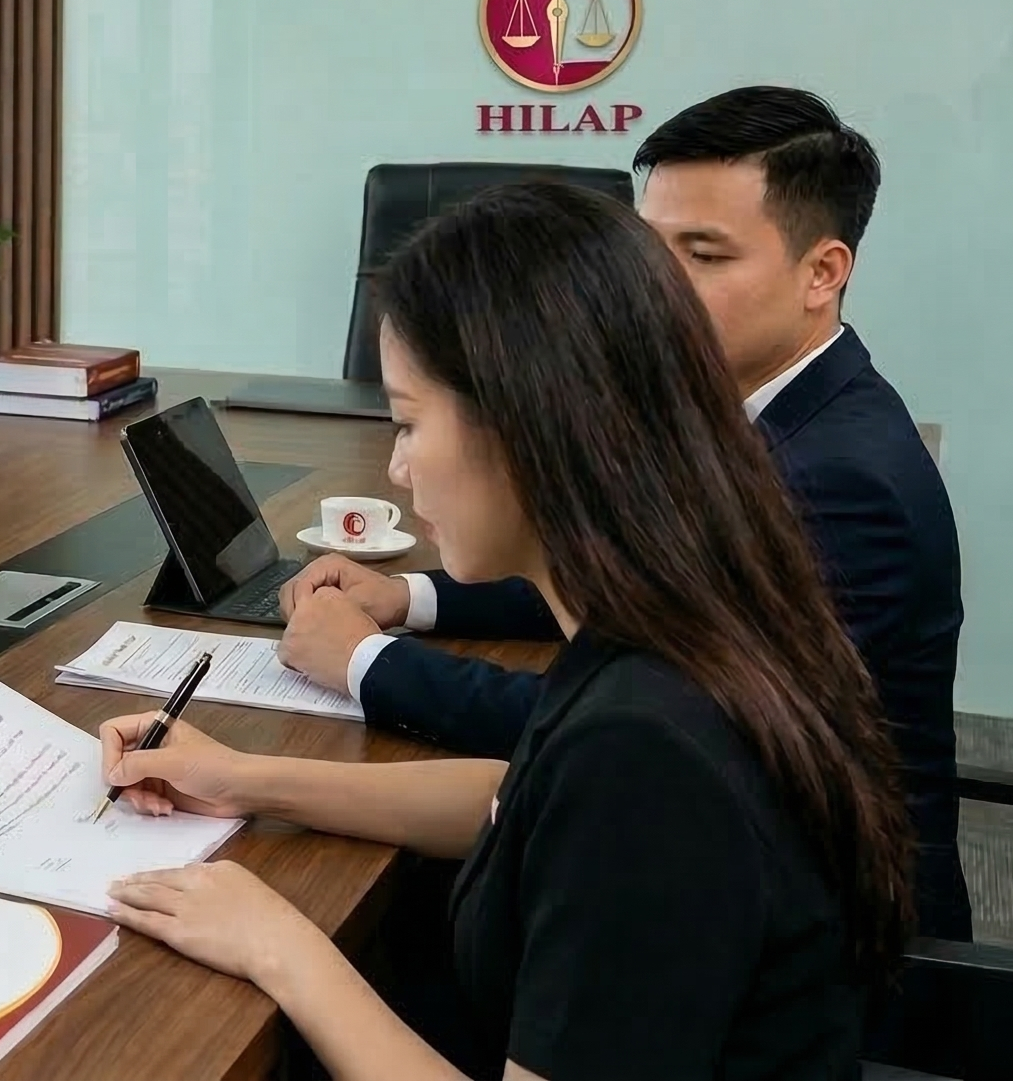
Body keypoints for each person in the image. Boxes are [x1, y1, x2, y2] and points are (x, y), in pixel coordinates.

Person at [101, 181, 913, 1081]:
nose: (397, 468)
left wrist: (281, 947)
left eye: (408, 423)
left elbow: (585, 802)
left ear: (529, 427)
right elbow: (514, 795)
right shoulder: (683, 614)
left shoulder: (645, 752)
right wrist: (247, 780)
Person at [275, 86, 970, 939]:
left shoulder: (836, 484)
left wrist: (367, 661)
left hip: (849, 930)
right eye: (649, 253)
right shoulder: (760, 414)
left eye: (704, 255)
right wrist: (412, 597)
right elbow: (630, 575)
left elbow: (627, 731)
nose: (655, 290)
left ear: (822, 273)